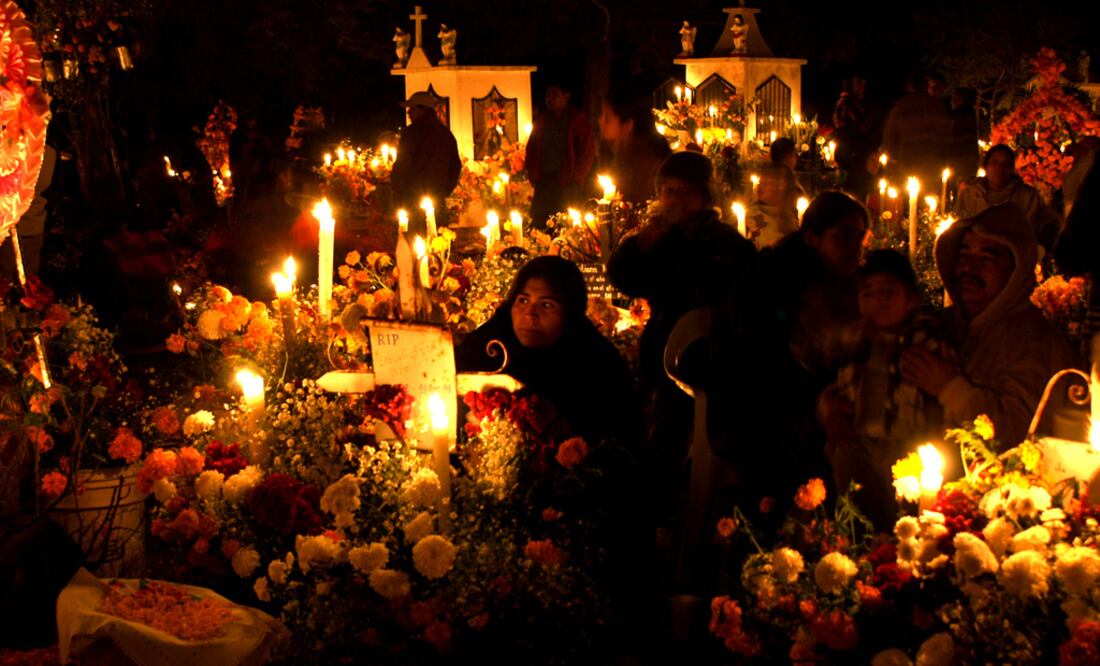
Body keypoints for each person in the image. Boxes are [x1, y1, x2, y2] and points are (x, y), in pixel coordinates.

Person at [608, 152, 755, 523]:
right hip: (662, 357)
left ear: (704, 196)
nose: (672, 199)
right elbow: (623, 277)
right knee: (663, 437)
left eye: (682, 191)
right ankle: (661, 514)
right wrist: (641, 244)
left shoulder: (724, 243)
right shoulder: (659, 239)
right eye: (666, 190)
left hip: (713, 359)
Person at [902, 204, 1079, 448]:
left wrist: (950, 388)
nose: (969, 268)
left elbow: (1024, 439)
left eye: (988, 257)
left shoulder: (1035, 343)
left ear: (1015, 268)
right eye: (963, 255)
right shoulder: (939, 325)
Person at [455, 256, 642, 446]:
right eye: (523, 300)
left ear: (569, 314)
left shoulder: (597, 365)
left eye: (546, 304)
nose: (530, 313)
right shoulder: (490, 342)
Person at [819, 250, 947, 527]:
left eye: (888, 292)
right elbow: (835, 380)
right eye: (868, 293)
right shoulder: (855, 341)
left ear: (911, 299)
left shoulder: (925, 340)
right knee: (857, 504)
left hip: (906, 442)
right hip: (859, 441)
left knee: (903, 511)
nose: (878, 301)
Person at [955, 145, 1060, 252]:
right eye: (994, 162)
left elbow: (1032, 232)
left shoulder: (1028, 196)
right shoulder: (970, 195)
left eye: (1006, 164)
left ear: (1012, 169)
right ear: (986, 166)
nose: (999, 168)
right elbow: (960, 227)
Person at [389, 91, 462, 234]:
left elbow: (404, 163)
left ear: (424, 109)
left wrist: (395, 186)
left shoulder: (412, 133)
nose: (409, 112)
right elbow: (456, 166)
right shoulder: (446, 134)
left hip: (412, 198)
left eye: (413, 108)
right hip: (437, 198)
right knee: (437, 243)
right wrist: (445, 190)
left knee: (414, 241)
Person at [525, 82, 596, 228]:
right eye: (547, 95)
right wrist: (533, 173)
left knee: (566, 225)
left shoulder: (577, 119)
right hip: (544, 182)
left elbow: (587, 152)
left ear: (566, 97)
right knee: (539, 223)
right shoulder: (542, 120)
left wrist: (577, 177)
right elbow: (531, 148)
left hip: (567, 183)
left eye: (555, 94)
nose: (550, 99)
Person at [598, 86, 671, 204]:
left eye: (607, 118)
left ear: (629, 125)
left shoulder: (649, 161)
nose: (600, 121)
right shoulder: (613, 151)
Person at [880, 71, 953, 187]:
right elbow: (947, 137)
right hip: (932, 165)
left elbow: (889, 137)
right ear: (925, 85)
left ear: (909, 86)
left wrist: (891, 161)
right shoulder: (938, 107)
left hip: (906, 165)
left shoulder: (901, 106)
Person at [0, 144, 57, 280]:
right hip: (33, 225)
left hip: (13, 227)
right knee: (27, 282)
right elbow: (54, 192)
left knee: (8, 282)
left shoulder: (9, 151)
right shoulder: (50, 153)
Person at [746, 164, 799, 248]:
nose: (759, 186)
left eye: (766, 183)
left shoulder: (793, 222)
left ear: (782, 186)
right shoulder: (750, 214)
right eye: (760, 182)